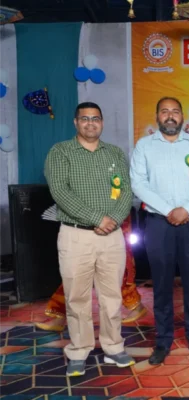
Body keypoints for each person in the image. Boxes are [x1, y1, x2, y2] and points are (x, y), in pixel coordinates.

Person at [44, 101, 135, 377]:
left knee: (111, 296)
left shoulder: (115, 153)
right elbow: (60, 192)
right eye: (85, 118)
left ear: (102, 122)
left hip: (112, 236)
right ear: (76, 122)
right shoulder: (60, 152)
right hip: (76, 236)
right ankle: (79, 350)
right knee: (77, 297)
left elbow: (126, 191)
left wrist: (113, 219)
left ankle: (113, 346)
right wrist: (97, 218)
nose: (90, 123)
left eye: (95, 118)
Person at [130, 96, 189, 365]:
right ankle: (163, 340)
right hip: (158, 223)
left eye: (175, 111)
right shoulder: (144, 146)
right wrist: (169, 210)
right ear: (157, 116)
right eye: (164, 111)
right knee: (162, 284)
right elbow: (138, 184)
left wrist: (185, 209)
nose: (170, 116)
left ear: (182, 117)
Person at [35, 214, 148, 332]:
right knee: (76, 273)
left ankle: (132, 307)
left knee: (116, 272)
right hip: (87, 225)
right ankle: (61, 317)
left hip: (110, 223)